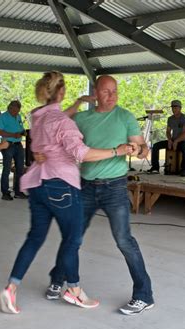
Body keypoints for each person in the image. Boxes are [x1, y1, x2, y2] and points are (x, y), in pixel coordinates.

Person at [0, 71, 135, 315]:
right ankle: (73, 290)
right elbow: (83, 154)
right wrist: (118, 150)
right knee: (73, 239)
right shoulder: (64, 123)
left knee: (35, 237)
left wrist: (78, 103)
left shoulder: (37, 116)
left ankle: (11, 287)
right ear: (61, 92)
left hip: (37, 184)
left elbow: (55, 118)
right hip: (61, 184)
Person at [47, 75, 155, 316]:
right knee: (71, 238)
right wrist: (77, 102)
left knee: (124, 240)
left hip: (115, 187)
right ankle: (58, 278)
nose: (112, 95)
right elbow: (55, 122)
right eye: (106, 91)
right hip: (85, 186)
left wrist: (140, 149)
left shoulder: (125, 117)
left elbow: (142, 146)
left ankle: (144, 296)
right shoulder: (83, 118)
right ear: (96, 92)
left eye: (115, 91)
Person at [147, 99, 185, 176]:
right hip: (172, 140)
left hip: (182, 141)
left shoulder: (184, 118)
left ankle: (184, 170)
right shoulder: (170, 119)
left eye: (176, 108)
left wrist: (176, 141)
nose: (174, 109)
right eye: (173, 108)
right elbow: (168, 131)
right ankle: (155, 167)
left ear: (180, 108)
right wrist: (170, 140)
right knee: (156, 146)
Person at [0, 100, 26, 201]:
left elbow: (20, 127)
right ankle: (5, 193)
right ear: (10, 108)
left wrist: (23, 132)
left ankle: (18, 191)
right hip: (7, 144)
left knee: (20, 169)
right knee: (7, 169)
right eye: (14, 111)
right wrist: (13, 135)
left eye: (18, 111)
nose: (16, 113)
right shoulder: (2, 117)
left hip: (18, 144)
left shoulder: (18, 116)